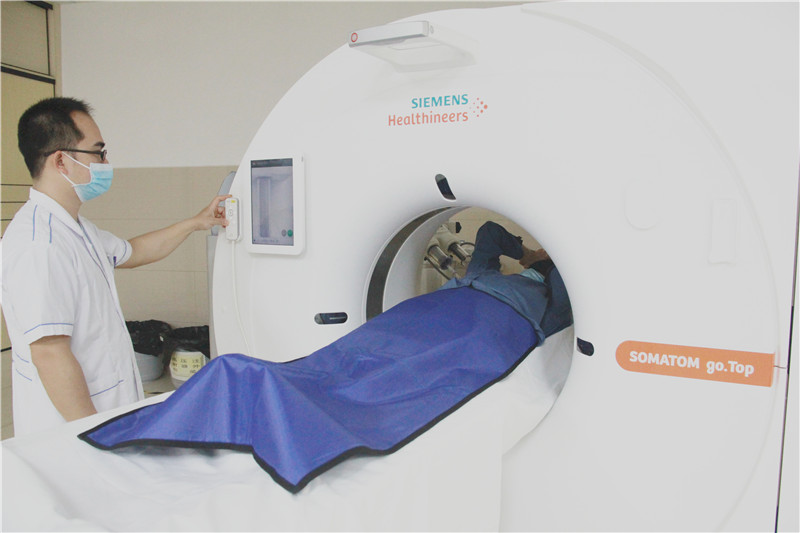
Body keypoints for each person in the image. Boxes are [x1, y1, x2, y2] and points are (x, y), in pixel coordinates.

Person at [1, 97, 230, 436]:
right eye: (99, 152)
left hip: (107, 410)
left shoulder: (76, 228)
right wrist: (96, 433)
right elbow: (49, 353)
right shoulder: (39, 244)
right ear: (61, 161)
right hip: (72, 433)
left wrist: (197, 222)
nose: (106, 163)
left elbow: (133, 251)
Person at [439, 221, 573, 344]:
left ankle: (532, 258)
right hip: (508, 299)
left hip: (475, 285)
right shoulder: (540, 321)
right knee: (569, 268)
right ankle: (536, 259)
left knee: (489, 230)